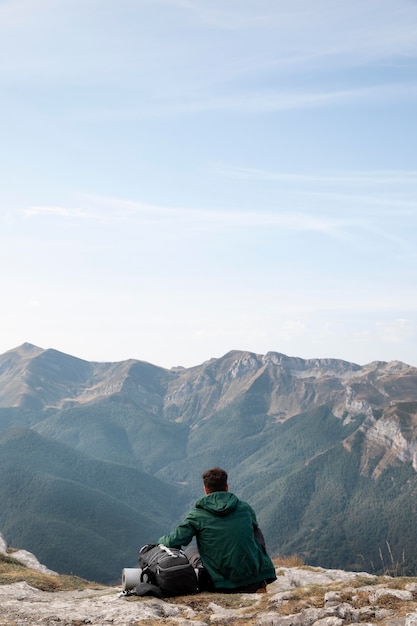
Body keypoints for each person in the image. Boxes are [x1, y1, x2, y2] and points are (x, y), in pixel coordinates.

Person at [157, 467, 277, 593]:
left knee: (191, 551)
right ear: (226, 487)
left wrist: (160, 540)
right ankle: (259, 583)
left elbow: (175, 540)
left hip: (219, 583)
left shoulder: (197, 515)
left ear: (206, 489)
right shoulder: (245, 508)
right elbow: (254, 527)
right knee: (255, 532)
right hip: (253, 578)